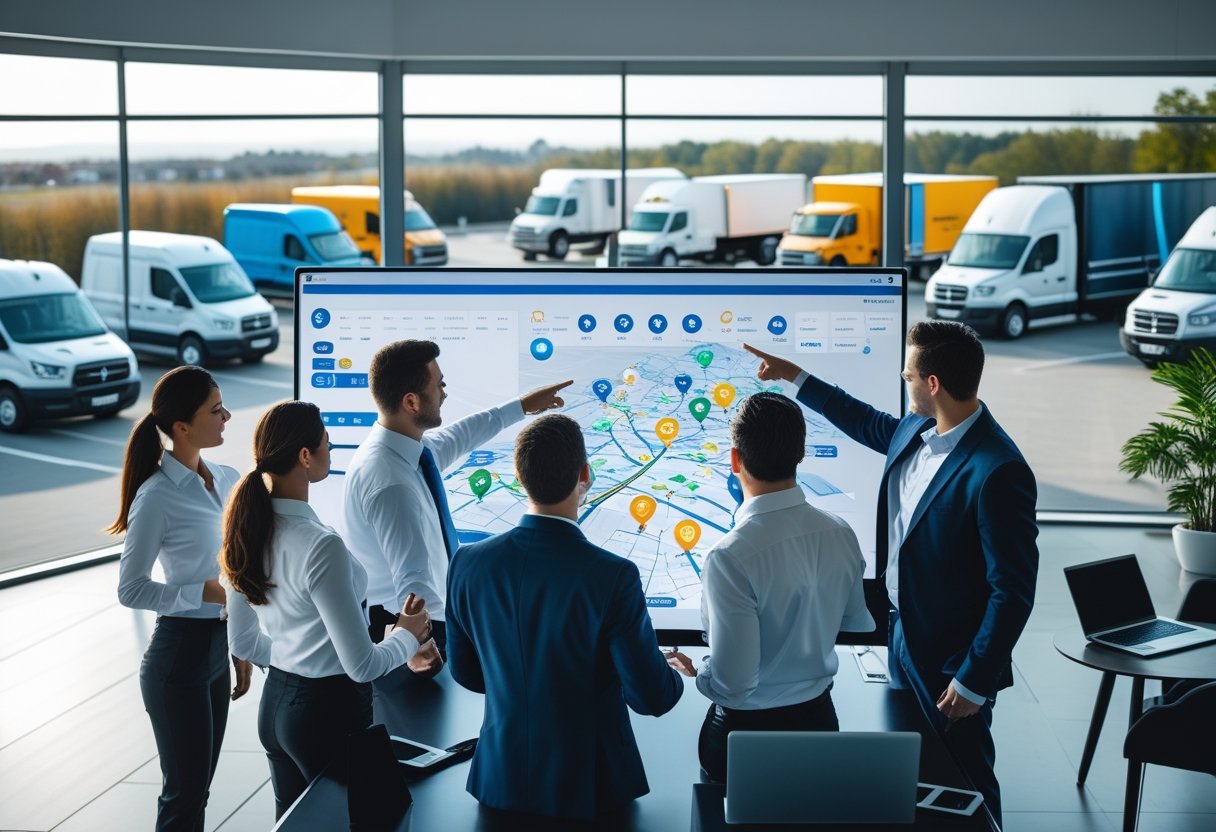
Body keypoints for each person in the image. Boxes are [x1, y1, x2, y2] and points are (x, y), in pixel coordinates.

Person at [743, 322, 1038, 827]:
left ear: (933, 384)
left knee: (966, 775)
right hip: (899, 634)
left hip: (950, 659)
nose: (905, 381)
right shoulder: (917, 430)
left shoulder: (997, 469)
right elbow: (862, 420)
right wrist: (795, 377)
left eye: (908, 375)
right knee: (913, 768)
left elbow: (1012, 591)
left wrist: (974, 679)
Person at [446, 414, 684, 824]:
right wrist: (665, 667)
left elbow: (467, 673)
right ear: (584, 476)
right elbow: (652, 698)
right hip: (593, 790)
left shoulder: (467, 563)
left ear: (520, 477)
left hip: (497, 782)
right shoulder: (614, 575)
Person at [219, 401, 432, 819]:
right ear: (304, 456)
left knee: (299, 825)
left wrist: (295, 657)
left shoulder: (243, 530)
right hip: (328, 717)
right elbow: (362, 667)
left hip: (276, 710)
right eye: (327, 443)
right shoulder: (321, 545)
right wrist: (408, 633)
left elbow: (242, 640)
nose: (331, 450)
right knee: (379, 820)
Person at [665, 392, 874, 783]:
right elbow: (855, 621)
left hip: (744, 740)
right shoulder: (841, 532)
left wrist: (701, 674)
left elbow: (735, 685)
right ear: (801, 453)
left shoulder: (729, 556)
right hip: (820, 724)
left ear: (734, 460)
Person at [343, 338, 571, 677]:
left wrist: (523, 406)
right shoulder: (391, 482)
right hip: (417, 637)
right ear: (411, 402)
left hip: (422, 625)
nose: (445, 393)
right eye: (439, 385)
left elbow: (465, 434)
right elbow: (414, 584)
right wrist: (448, 634)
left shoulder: (410, 451)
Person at [111, 366, 253, 832]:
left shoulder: (228, 478)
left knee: (200, 790)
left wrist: (239, 643)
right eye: (215, 410)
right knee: (184, 795)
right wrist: (204, 591)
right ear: (182, 427)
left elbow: (237, 567)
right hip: (177, 661)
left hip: (215, 647)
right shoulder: (155, 497)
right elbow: (130, 588)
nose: (227, 415)